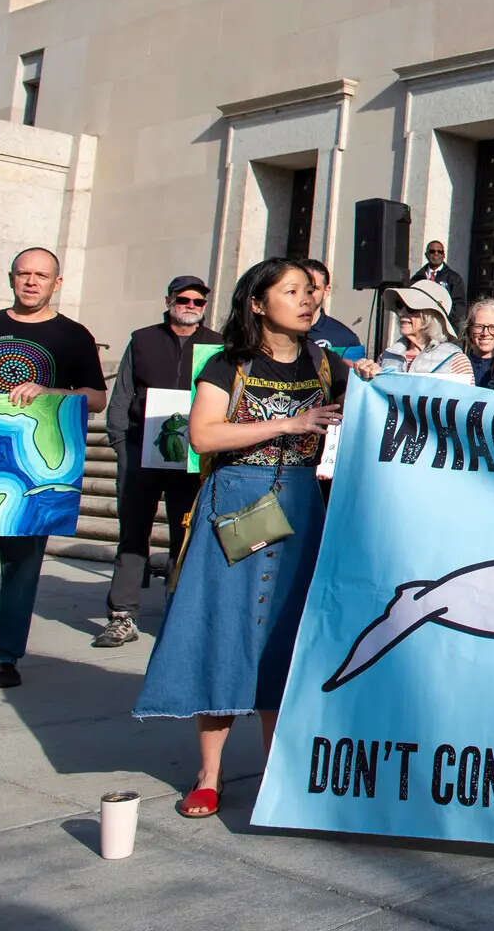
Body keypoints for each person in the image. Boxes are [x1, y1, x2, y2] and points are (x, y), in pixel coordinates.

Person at [132, 258, 354, 816]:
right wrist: (287, 423)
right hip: (236, 505)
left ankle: (278, 774)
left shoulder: (329, 364)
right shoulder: (225, 364)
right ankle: (209, 774)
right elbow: (203, 435)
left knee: (288, 640)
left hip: (304, 508)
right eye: (292, 291)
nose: (307, 300)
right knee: (224, 633)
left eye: (311, 291)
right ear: (257, 304)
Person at [0, 249, 110, 689]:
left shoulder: (73, 335)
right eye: (24, 273)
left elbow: (97, 399)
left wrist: (49, 391)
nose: (31, 281)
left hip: (31, 468)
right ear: (11, 278)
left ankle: (1, 654)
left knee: (22, 563)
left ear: (57, 283)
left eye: (41, 275)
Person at [94, 275, 223, 648]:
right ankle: (122, 614)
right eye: (183, 299)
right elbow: (123, 394)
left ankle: (178, 611)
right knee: (133, 532)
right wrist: (120, 442)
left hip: (192, 455)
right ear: (168, 299)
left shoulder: (216, 346)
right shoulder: (143, 339)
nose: (190, 306)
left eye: (198, 301)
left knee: (186, 533)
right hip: (140, 451)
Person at [374, 281, 473, 380]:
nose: (401, 312)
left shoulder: (455, 360)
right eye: (400, 305)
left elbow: (466, 395)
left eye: (411, 308)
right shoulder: (387, 356)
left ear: (431, 316)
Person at [300, 259, 365, 360]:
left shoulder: (345, 339)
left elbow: (352, 374)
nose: (307, 294)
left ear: (326, 291)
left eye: (313, 289)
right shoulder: (273, 330)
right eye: (298, 289)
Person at [414, 240, 466, 327]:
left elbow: (459, 306)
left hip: (443, 325)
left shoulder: (454, 278)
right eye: (432, 251)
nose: (436, 254)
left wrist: (446, 321)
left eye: (440, 252)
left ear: (444, 255)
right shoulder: (417, 278)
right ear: (426, 254)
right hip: (421, 325)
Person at [462, 299, 494, 387]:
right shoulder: (457, 364)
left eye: (493, 327)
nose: (485, 333)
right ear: (469, 330)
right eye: (479, 326)